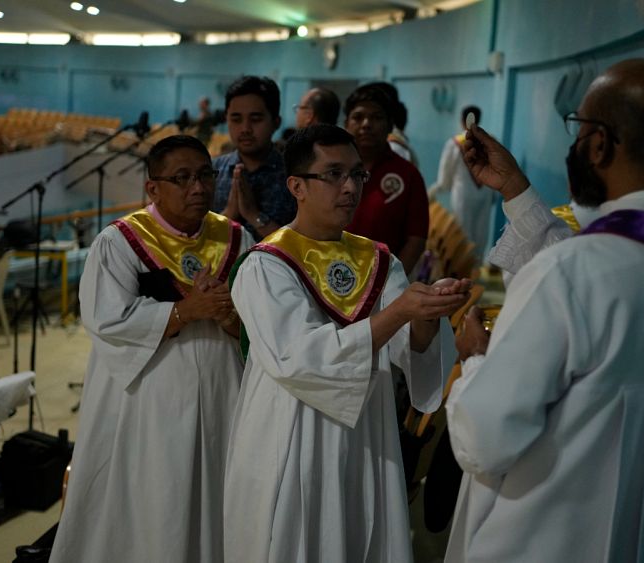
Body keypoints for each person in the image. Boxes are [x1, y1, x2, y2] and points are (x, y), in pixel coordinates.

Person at [444, 58, 644, 563]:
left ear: (598, 143)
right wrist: (515, 189)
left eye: (577, 130)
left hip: (543, 539)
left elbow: (481, 440)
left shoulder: (569, 273)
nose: (573, 146)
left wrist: (474, 361)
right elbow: (595, 258)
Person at [223, 124, 472, 563]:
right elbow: (298, 358)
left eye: (357, 174)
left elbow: (408, 350)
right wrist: (398, 313)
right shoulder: (265, 265)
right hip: (290, 432)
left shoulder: (377, 259)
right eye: (334, 174)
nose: (350, 187)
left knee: (360, 534)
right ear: (296, 186)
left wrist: (428, 315)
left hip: (366, 433)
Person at [51, 135, 252, 563]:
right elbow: (108, 322)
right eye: (181, 178)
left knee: (220, 498)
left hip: (223, 397)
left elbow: (258, 329)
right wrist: (185, 311)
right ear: (153, 188)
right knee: (158, 505)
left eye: (204, 175)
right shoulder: (120, 242)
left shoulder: (237, 240)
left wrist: (229, 317)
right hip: (150, 404)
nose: (197, 187)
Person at [344, 84, 430, 275]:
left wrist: (391, 283)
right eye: (358, 117)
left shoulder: (408, 175)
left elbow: (416, 239)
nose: (366, 124)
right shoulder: (329, 170)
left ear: (390, 125)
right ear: (346, 123)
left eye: (376, 117)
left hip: (383, 284)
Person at [212, 75, 295, 240]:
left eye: (256, 119)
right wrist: (229, 214)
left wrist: (254, 215)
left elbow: (302, 248)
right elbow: (195, 240)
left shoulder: (295, 176)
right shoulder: (212, 171)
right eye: (236, 119)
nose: (245, 129)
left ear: (276, 122)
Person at [428, 105, 494, 259]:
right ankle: (476, 269)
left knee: (463, 233)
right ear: (478, 120)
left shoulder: (454, 144)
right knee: (481, 233)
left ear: (462, 120)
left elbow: (444, 177)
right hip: (485, 194)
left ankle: (465, 269)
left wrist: (438, 188)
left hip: (463, 194)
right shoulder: (490, 142)